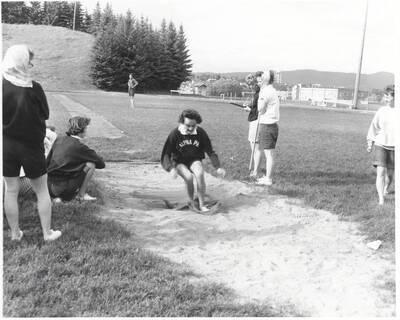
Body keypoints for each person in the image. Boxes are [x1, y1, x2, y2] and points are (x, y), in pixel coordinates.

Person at [2, 44, 62, 241]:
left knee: (11, 190)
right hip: (31, 147)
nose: (31, 65)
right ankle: (47, 233)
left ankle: (14, 233)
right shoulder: (34, 88)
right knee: (42, 190)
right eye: (29, 61)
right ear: (22, 63)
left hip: (7, 147)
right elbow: (45, 114)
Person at [161, 109, 226, 212]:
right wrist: (170, 168)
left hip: (194, 159)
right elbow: (166, 154)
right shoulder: (175, 134)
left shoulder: (200, 132)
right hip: (179, 161)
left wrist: (217, 167)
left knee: (200, 174)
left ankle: (201, 204)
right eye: (188, 125)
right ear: (182, 122)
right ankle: (191, 202)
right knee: (189, 177)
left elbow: (210, 151)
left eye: (193, 125)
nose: (191, 128)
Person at [46, 116, 105, 202]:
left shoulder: (59, 139)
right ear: (82, 130)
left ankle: (56, 197)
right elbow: (101, 164)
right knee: (91, 164)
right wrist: (83, 161)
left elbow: (47, 161)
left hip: (48, 187)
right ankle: (81, 195)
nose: (87, 131)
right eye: (86, 128)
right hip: (63, 188)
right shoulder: (80, 147)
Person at [366, 85, 395, 205]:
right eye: (385, 96)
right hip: (381, 144)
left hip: (395, 147)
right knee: (381, 172)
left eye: (389, 96)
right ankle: (381, 200)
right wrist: (370, 142)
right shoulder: (381, 111)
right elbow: (374, 126)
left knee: (390, 174)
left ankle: (386, 188)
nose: (386, 98)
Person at [255, 69, 280, 186]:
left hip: (267, 125)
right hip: (273, 126)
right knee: (269, 153)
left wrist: (260, 95)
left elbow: (260, 108)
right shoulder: (272, 90)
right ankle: (267, 177)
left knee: (268, 154)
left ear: (265, 79)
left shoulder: (265, 92)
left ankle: (268, 179)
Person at [243, 71, 262, 178]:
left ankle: (256, 172)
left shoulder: (259, 93)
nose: (251, 86)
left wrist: (249, 108)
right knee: (253, 146)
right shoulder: (257, 93)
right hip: (254, 120)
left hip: (256, 121)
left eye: (251, 84)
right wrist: (249, 106)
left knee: (256, 148)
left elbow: (257, 108)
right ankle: (256, 170)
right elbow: (254, 105)